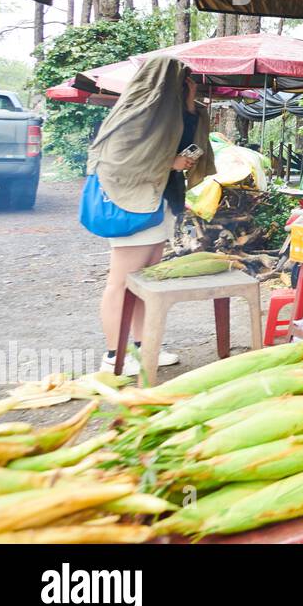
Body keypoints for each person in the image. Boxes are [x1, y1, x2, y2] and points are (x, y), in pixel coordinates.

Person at [88, 56, 216, 374]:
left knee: (145, 282)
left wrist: (188, 102)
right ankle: (113, 356)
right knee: (120, 282)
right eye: (182, 80)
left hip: (156, 208)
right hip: (130, 205)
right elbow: (119, 161)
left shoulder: (168, 114)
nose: (188, 84)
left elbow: (185, 141)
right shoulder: (135, 112)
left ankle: (146, 346)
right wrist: (168, 163)